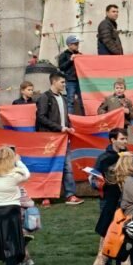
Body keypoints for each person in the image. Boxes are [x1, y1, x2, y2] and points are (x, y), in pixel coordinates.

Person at [83, 129, 133, 265]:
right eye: (122, 138)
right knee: (116, 251)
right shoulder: (106, 159)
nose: (125, 141)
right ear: (113, 140)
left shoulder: (124, 161)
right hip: (118, 211)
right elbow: (94, 180)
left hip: (115, 210)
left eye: (126, 138)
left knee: (106, 251)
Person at [35, 72, 84, 206]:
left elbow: (65, 118)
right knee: (48, 166)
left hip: (63, 138)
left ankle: (70, 195)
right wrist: (59, 128)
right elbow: (41, 117)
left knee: (67, 167)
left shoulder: (63, 98)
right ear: (54, 82)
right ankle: (46, 196)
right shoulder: (44, 97)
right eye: (62, 82)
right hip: (49, 139)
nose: (64, 84)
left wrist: (69, 127)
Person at [58, 35, 83, 114]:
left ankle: (85, 118)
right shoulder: (64, 55)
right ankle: (70, 119)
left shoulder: (79, 54)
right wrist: (70, 60)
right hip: (70, 80)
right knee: (70, 101)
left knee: (83, 100)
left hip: (80, 80)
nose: (77, 46)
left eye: (78, 44)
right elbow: (61, 67)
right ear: (69, 45)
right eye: (76, 44)